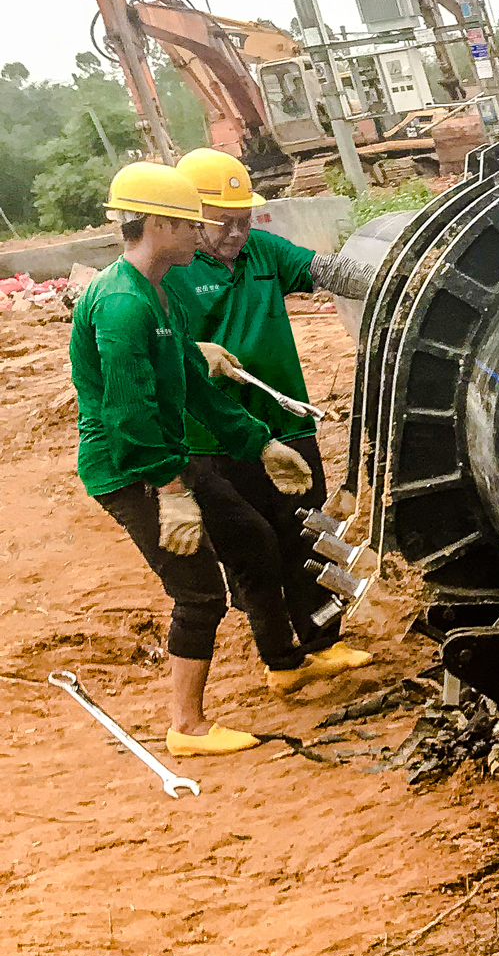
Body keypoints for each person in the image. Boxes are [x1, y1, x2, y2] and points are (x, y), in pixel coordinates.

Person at [67, 163, 344, 758]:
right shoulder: (122, 304)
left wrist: (259, 444)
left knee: (254, 539)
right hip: (131, 471)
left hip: (167, 457)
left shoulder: (157, 291)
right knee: (198, 593)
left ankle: (286, 662)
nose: (203, 234)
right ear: (159, 225)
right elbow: (128, 416)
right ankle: (186, 726)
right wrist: (171, 493)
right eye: (192, 224)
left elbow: (193, 384)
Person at [170, 147, 372, 682]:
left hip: (285, 423)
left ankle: (324, 639)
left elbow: (326, 271)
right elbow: (149, 345)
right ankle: (280, 659)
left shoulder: (262, 252)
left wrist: (395, 281)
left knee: (308, 532)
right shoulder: (170, 273)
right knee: (251, 549)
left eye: (245, 220)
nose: (237, 232)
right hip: (215, 437)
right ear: (191, 217)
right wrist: (192, 353)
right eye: (224, 222)